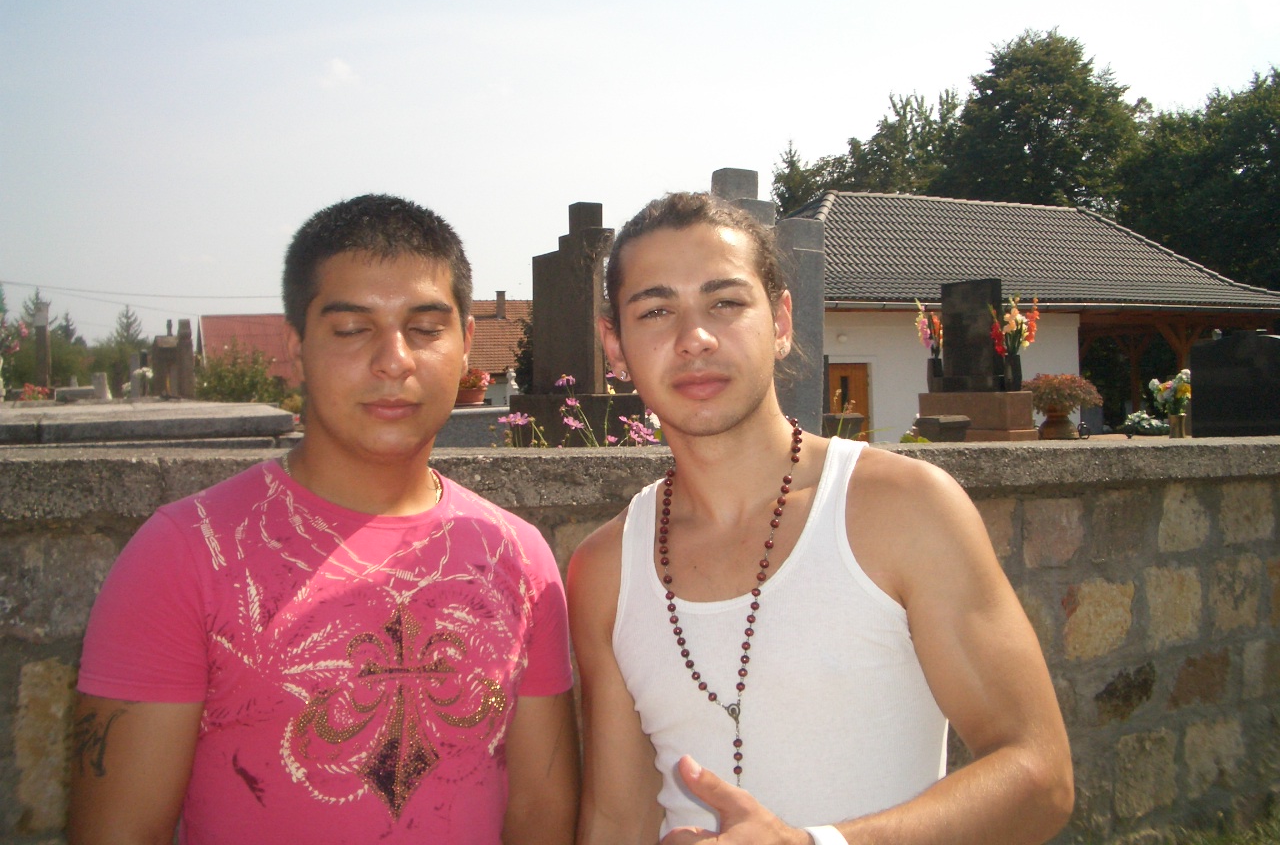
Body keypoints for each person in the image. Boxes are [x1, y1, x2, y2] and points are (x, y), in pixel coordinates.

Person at [69, 195, 579, 845]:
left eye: (426, 328)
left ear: (466, 345)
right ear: (297, 347)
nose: (394, 359)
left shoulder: (518, 558)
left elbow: (540, 814)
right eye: (352, 329)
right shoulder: (184, 556)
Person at [568, 192, 1073, 845]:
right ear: (615, 345)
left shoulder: (903, 510)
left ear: (781, 322)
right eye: (656, 311)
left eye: (726, 303)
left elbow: (1039, 778)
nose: (695, 338)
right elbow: (618, 820)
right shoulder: (607, 568)